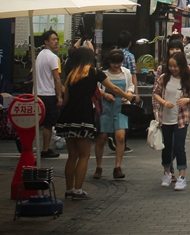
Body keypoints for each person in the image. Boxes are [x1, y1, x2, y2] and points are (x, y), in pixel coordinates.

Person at [56, 45, 133, 199]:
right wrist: (127, 95)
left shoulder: (71, 75)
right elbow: (113, 89)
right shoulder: (95, 72)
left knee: (72, 156)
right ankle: (78, 190)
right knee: (84, 155)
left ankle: (69, 189)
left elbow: (66, 98)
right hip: (84, 116)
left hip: (68, 117)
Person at [152, 51, 190, 191]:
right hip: (165, 119)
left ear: (181, 66)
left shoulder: (187, 80)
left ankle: (182, 176)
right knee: (166, 147)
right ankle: (167, 173)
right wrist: (164, 102)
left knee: (179, 147)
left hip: (181, 119)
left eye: (175, 66)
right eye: (170, 66)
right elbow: (156, 93)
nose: (173, 69)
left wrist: (187, 100)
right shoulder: (164, 78)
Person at [94, 49, 136, 180]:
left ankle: (118, 167)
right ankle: (99, 167)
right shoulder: (103, 73)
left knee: (120, 137)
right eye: (114, 63)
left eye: (119, 63)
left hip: (121, 108)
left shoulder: (126, 73)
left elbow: (130, 86)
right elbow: (96, 89)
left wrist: (128, 94)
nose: (117, 65)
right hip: (106, 108)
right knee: (102, 137)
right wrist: (105, 95)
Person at [35, 29, 64, 159]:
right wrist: (59, 96)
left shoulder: (40, 55)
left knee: (37, 122)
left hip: (37, 94)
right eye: (53, 39)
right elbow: (56, 78)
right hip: (48, 94)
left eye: (57, 39)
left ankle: (28, 145)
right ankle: (45, 149)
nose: (56, 42)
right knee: (48, 124)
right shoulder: (53, 57)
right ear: (46, 42)